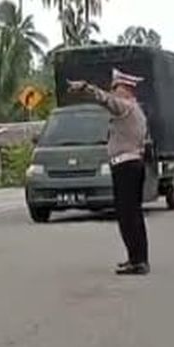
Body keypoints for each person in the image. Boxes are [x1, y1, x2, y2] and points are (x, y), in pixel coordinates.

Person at [68, 69, 150, 275]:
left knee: (127, 215)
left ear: (125, 89)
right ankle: (137, 258)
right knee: (134, 214)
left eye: (115, 88)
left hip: (125, 166)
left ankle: (138, 261)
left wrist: (86, 87)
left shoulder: (124, 107)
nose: (113, 92)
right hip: (134, 163)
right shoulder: (138, 111)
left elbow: (104, 100)